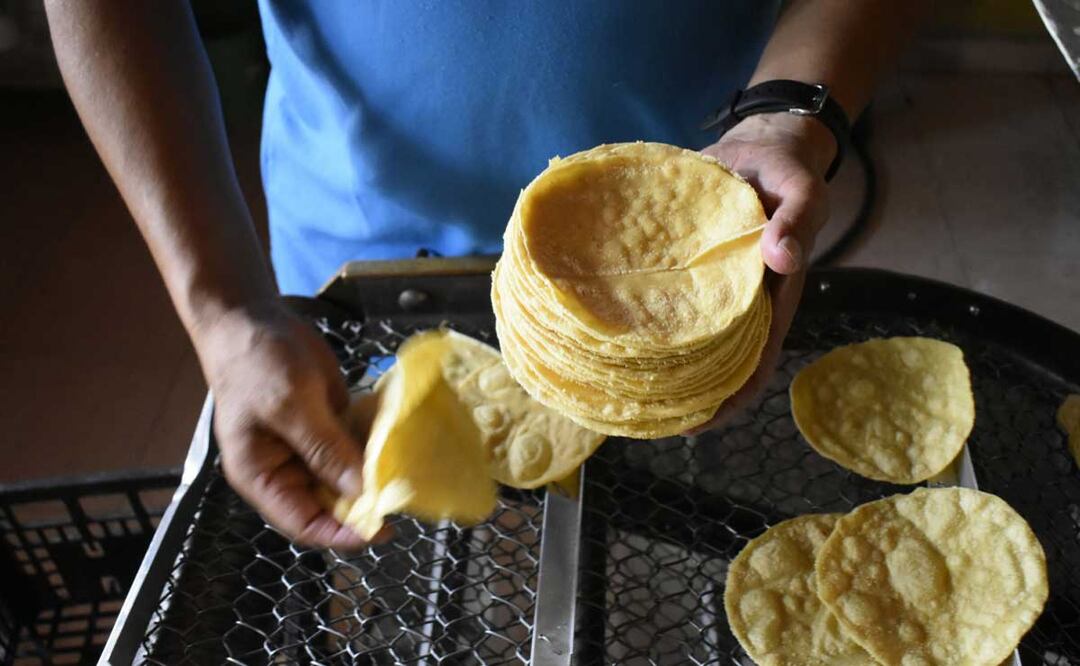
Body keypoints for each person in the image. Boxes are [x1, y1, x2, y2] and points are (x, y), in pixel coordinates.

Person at [44, 1, 925, 549]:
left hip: (698, 246)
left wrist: (784, 116)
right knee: (416, 537)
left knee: (665, 529)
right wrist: (225, 308)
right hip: (356, 240)